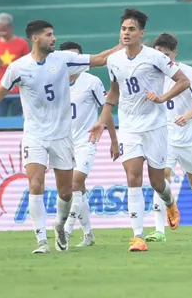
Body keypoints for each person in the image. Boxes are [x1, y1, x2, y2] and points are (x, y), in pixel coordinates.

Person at [0, 20, 119, 254]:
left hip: (63, 136)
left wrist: (125, 45)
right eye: (49, 35)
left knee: (66, 192)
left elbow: (101, 58)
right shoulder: (19, 67)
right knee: (35, 183)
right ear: (35, 38)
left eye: (53, 34)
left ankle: (60, 225)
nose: (53, 39)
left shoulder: (63, 59)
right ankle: (41, 240)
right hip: (34, 135)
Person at [89, 8, 191, 253]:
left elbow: (183, 81)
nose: (126, 33)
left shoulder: (155, 57)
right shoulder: (114, 60)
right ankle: (137, 236)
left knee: (157, 183)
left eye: (131, 29)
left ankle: (169, 202)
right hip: (130, 127)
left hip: (155, 126)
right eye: (123, 29)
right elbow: (113, 93)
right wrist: (103, 120)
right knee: (133, 177)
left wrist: (163, 97)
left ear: (141, 33)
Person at [145, 33, 192, 243]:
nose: (163, 58)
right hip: (162, 135)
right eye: (159, 54)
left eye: (167, 54)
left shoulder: (187, 72)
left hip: (187, 135)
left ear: (174, 53)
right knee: (160, 179)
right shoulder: (148, 74)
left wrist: (187, 116)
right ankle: (159, 230)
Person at [59, 41, 118, 248]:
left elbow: (106, 110)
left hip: (86, 141)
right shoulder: (55, 83)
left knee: (74, 184)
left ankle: (64, 232)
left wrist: (113, 140)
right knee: (78, 189)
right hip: (64, 144)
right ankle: (89, 235)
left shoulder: (91, 82)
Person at [0, 13, 30, 117]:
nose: (2, 34)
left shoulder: (22, 43)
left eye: (4, 31)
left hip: (18, 90)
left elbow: (29, 65)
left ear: (11, 28)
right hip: (0, 89)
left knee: (18, 121)